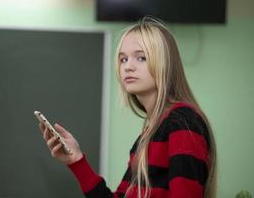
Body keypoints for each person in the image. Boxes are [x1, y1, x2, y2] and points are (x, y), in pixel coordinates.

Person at [38, 17, 217, 198]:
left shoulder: (183, 121)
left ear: (165, 63)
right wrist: (76, 160)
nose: (128, 67)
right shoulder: (145, 139)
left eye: (141, 58)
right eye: (123, 59)